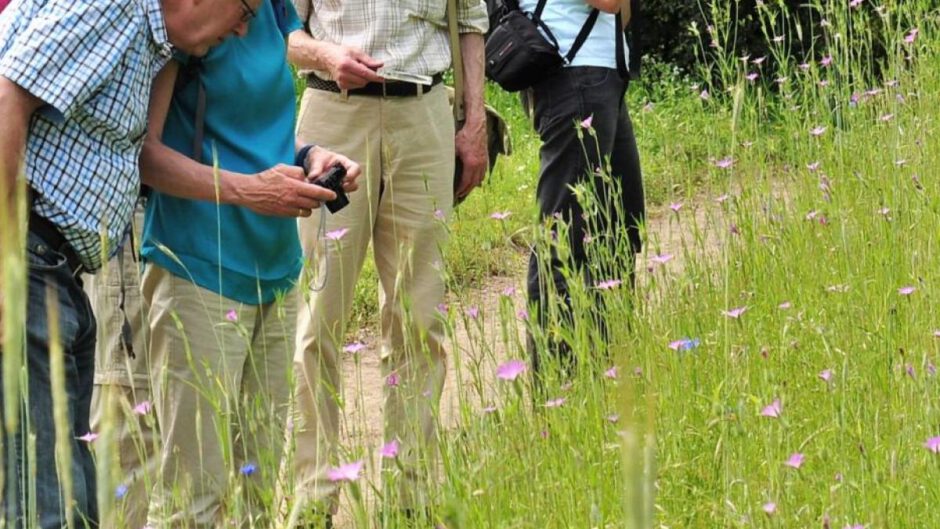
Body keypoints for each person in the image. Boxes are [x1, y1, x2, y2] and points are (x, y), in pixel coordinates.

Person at [0, 0, 269, 526]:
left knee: (72, 495)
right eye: (245, 8)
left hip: (59, 273)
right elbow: (6, 98)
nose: (241, 28)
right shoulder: (114, 6)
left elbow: (140, 152)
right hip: (26, 262)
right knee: (42, 502)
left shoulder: (153, 41)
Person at [136, 0, 361, 525]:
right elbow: (144, 155)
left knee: (256, 492)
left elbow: (259, 129)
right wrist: (247, 192)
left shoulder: (275, 10)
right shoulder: (185, 22)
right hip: (198, 264)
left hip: (275, 265)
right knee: (194, 499)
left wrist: (310, 157)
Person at [285, 0, 489, 522]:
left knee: (419, 318)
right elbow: (280, 33)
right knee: (316, 315)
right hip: (333, 118)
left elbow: (470, 22)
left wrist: (474, 125)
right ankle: (312, 500)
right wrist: (326, 55)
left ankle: (411, 499)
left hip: (423, 116)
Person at [520, 0, 645, 372]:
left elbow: (621, 15)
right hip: (573, 74)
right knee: (564, 238)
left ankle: (607, 370)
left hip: (602, 73)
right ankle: (559, 387)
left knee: (618, 230)